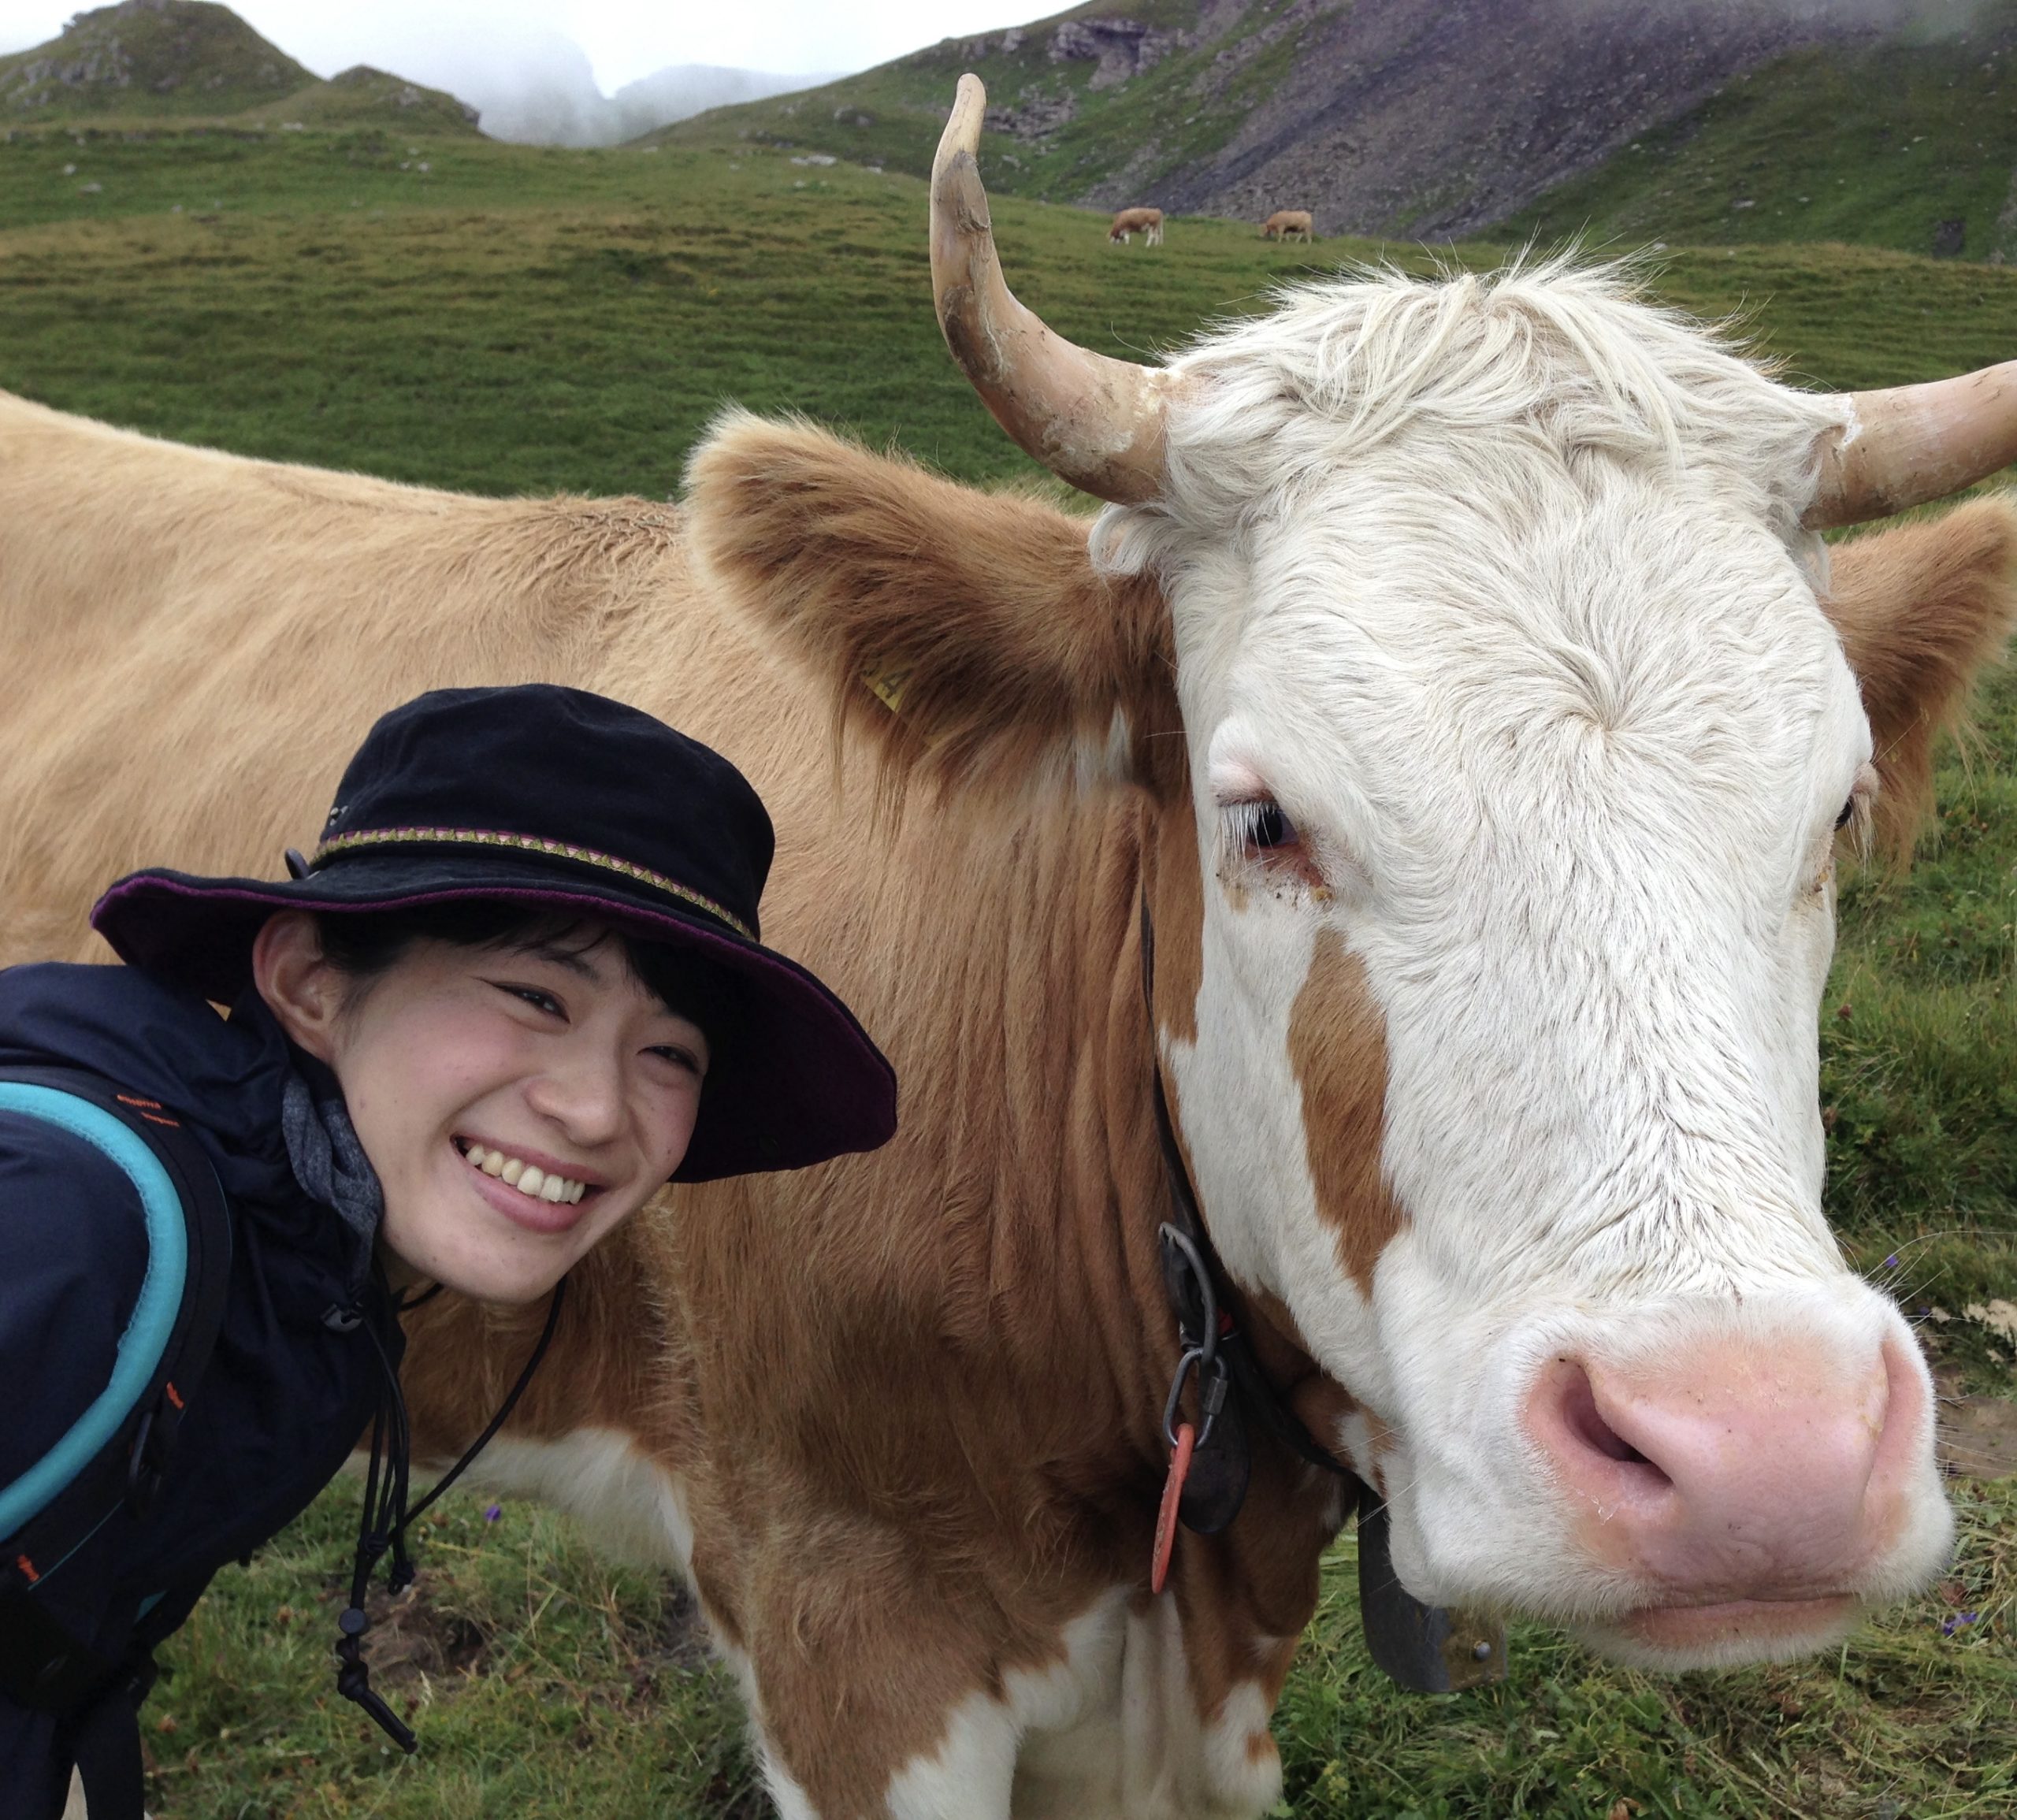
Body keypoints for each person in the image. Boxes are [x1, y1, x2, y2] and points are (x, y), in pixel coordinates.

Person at [0, 685, 897, 1818]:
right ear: (310, 982)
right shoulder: (82, 1229)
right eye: (534, 994)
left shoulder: (303, 1245)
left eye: (670, 1052)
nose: (594, 1109)